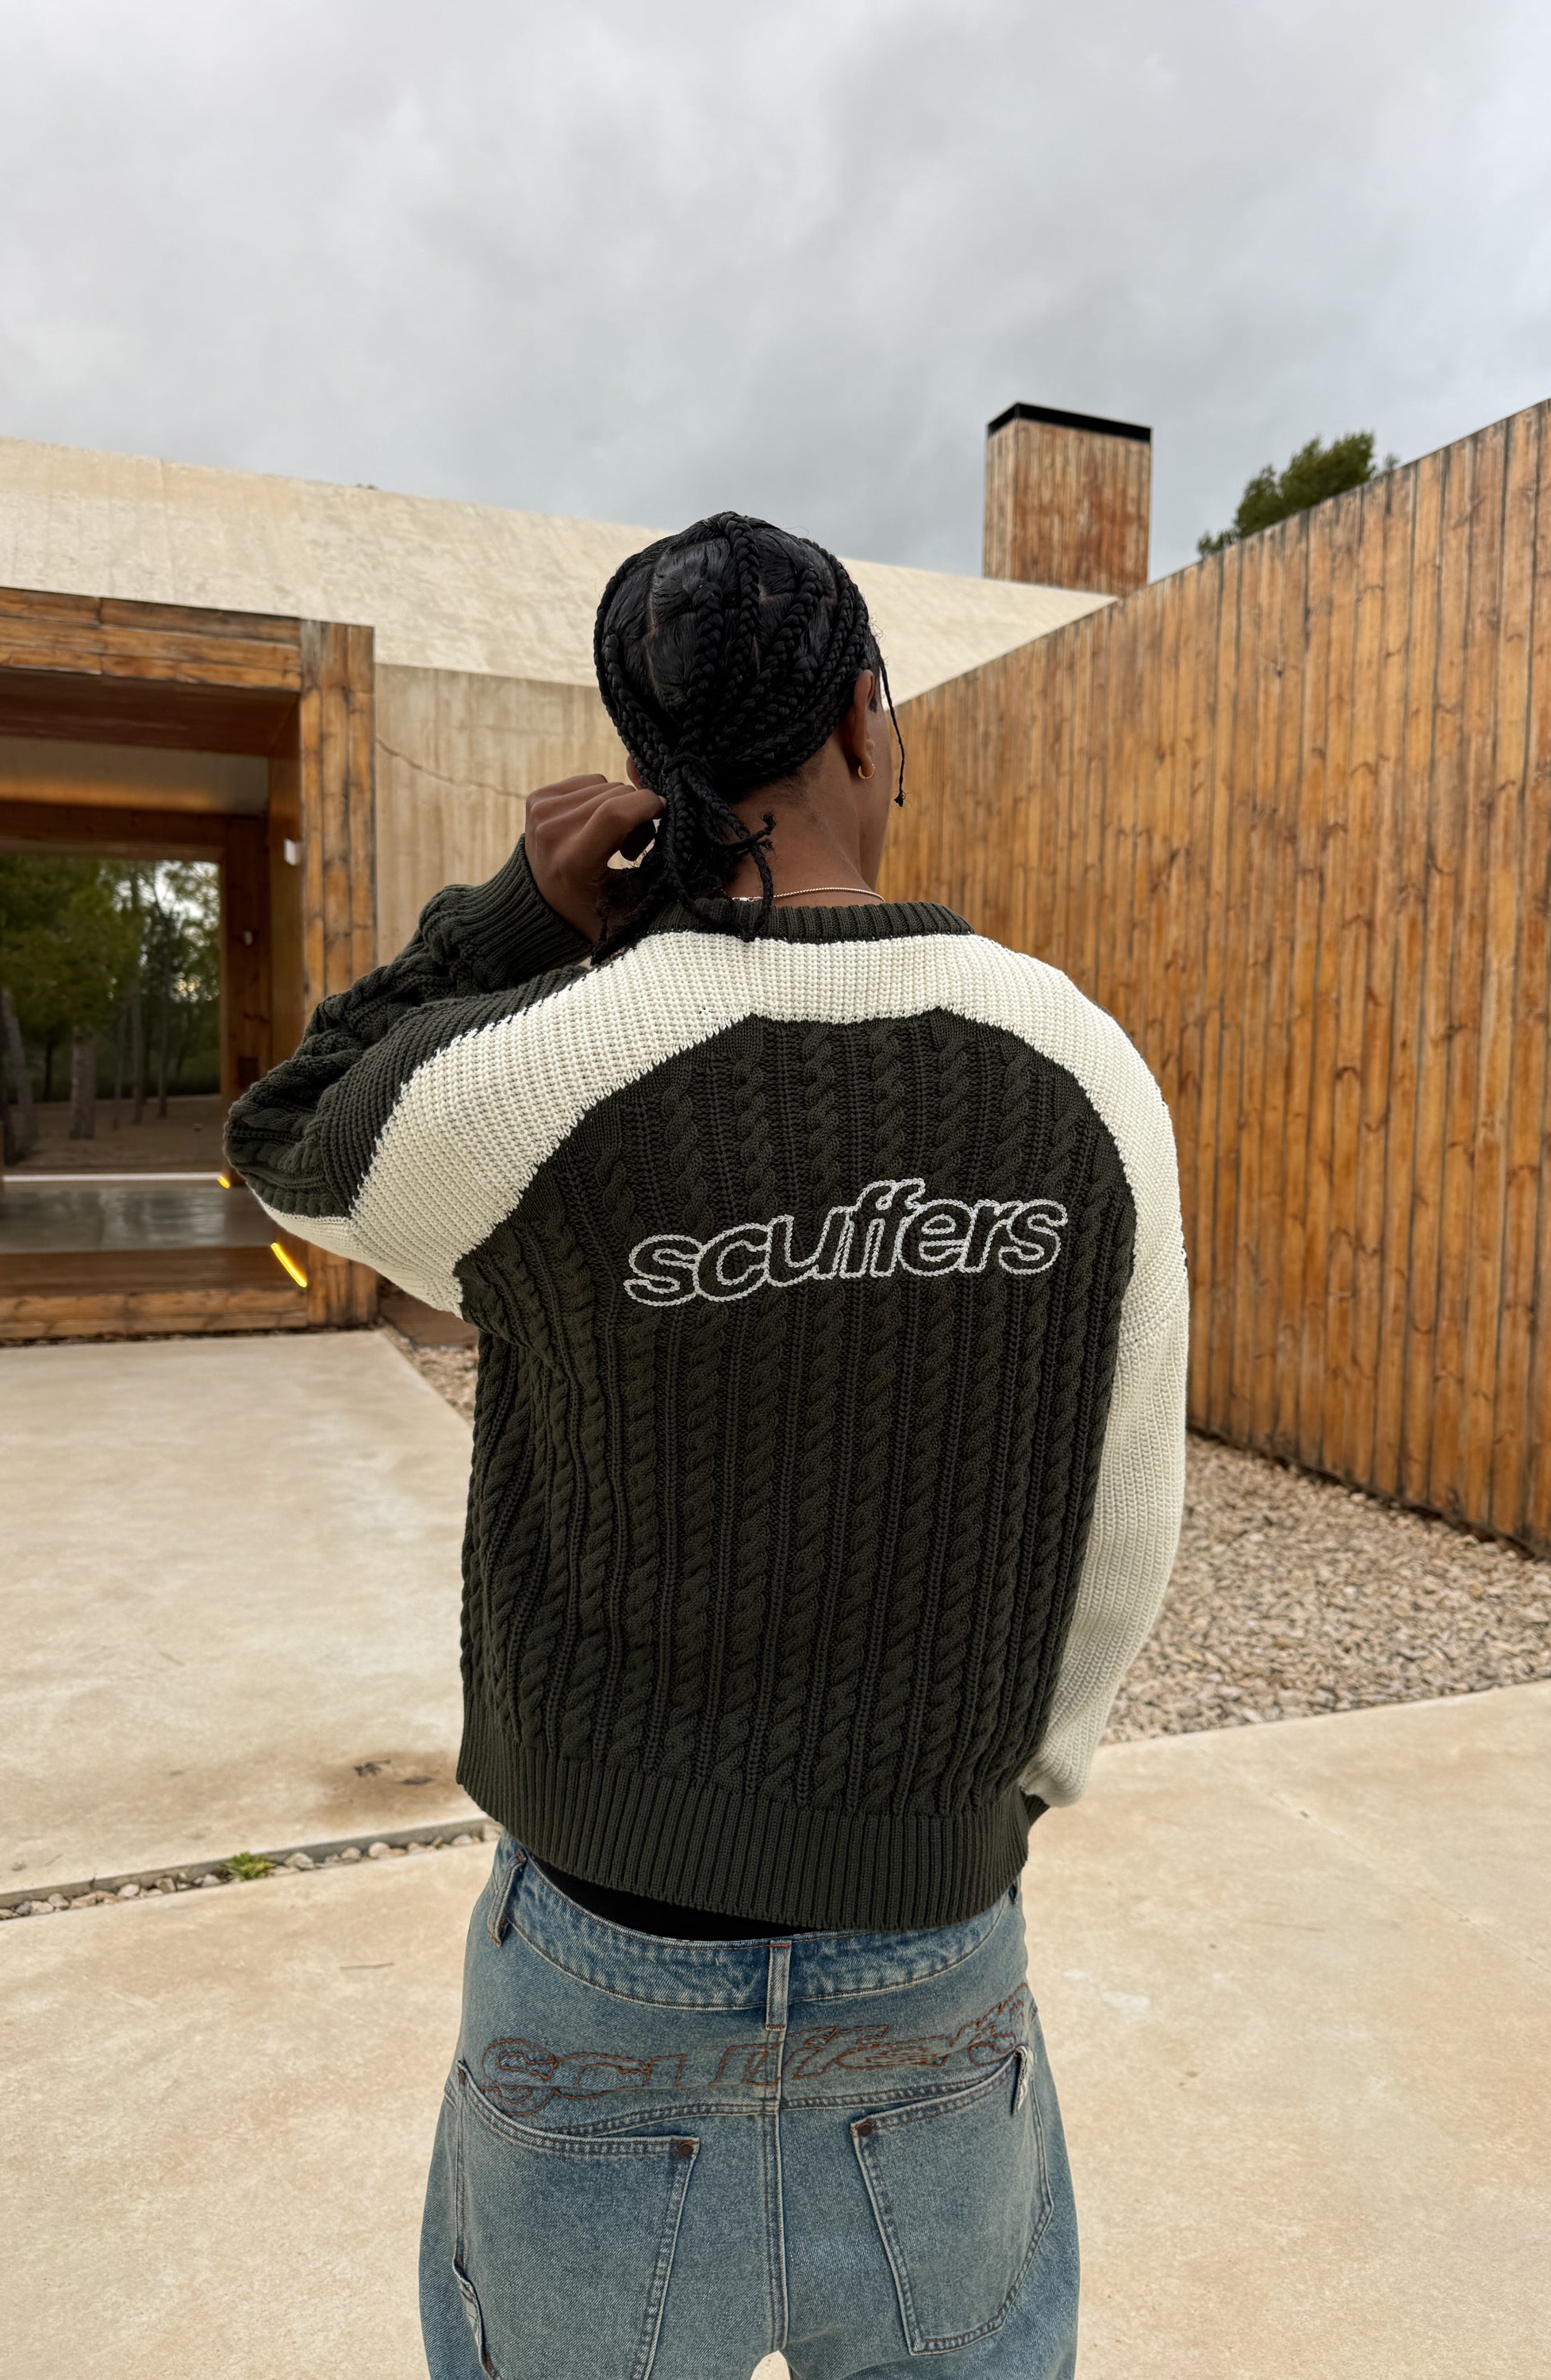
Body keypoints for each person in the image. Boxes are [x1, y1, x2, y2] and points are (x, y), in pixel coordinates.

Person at [225, 512, 1187, 2380]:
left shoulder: (539, 1076)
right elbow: (1121, 1524)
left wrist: (516, 919)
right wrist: (974, 1817)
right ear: (864, 718)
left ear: (647, 775)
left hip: (596, 1977)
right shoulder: (1079, 1068)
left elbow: (285, 1132)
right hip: (935, 1954)